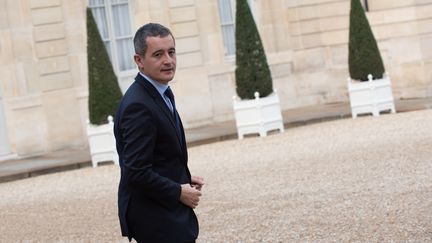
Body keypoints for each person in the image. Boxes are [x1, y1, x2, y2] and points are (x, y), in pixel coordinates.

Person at [114, 23, 204, 243]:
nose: (168, 60)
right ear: (139, 61)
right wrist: (178, 191)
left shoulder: (158, 92)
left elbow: (152, 155)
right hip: (156, 218)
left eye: (171, 52)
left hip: (163, 213)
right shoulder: (139, 106)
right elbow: (136, 171)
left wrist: (180, 174)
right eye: (158, 54)